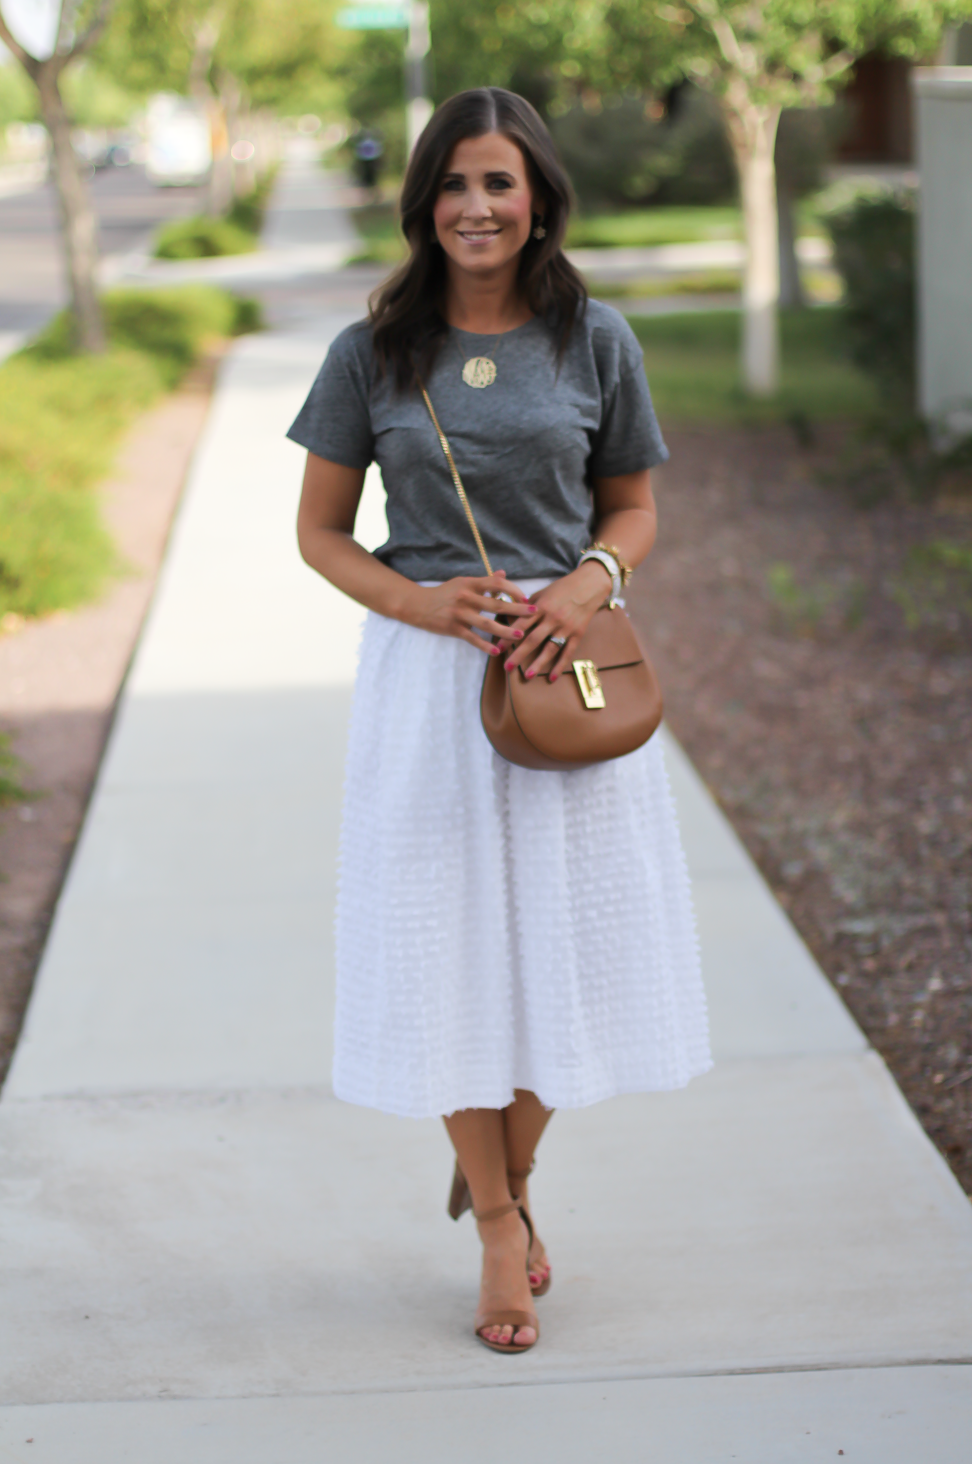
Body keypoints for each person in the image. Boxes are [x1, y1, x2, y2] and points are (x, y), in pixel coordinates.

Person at [288, 87, 710, 1355]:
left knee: (556, 953)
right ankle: (496, 1229)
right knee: (446, 951)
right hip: (431, 686)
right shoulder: (374, 352)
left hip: (565, 675)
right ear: (425, 203)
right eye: (456, 184)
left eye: (500, 184)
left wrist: (586, 585)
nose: (477, 206)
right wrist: (424, 606)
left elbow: (630, 507)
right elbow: (317, 536)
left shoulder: (596, 340)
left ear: (537, 203)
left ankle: (503, 1172)